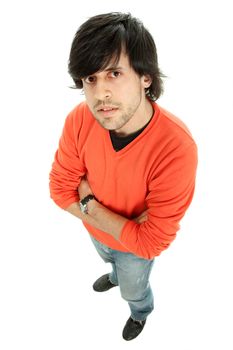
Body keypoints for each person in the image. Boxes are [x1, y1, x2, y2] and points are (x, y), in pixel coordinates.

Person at [49, 12, 198, 341]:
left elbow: (151, 243)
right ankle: (114, 274)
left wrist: (88, 201)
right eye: (90, 78)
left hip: (132, 252)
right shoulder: (80, 119)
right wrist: (122, 224)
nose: (100, 93)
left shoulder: (176, 148)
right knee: (108, 257)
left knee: (134, 288)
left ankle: (140, 312)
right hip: (97, 233)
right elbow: (59, 190)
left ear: (145, 77)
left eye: (114, 73)